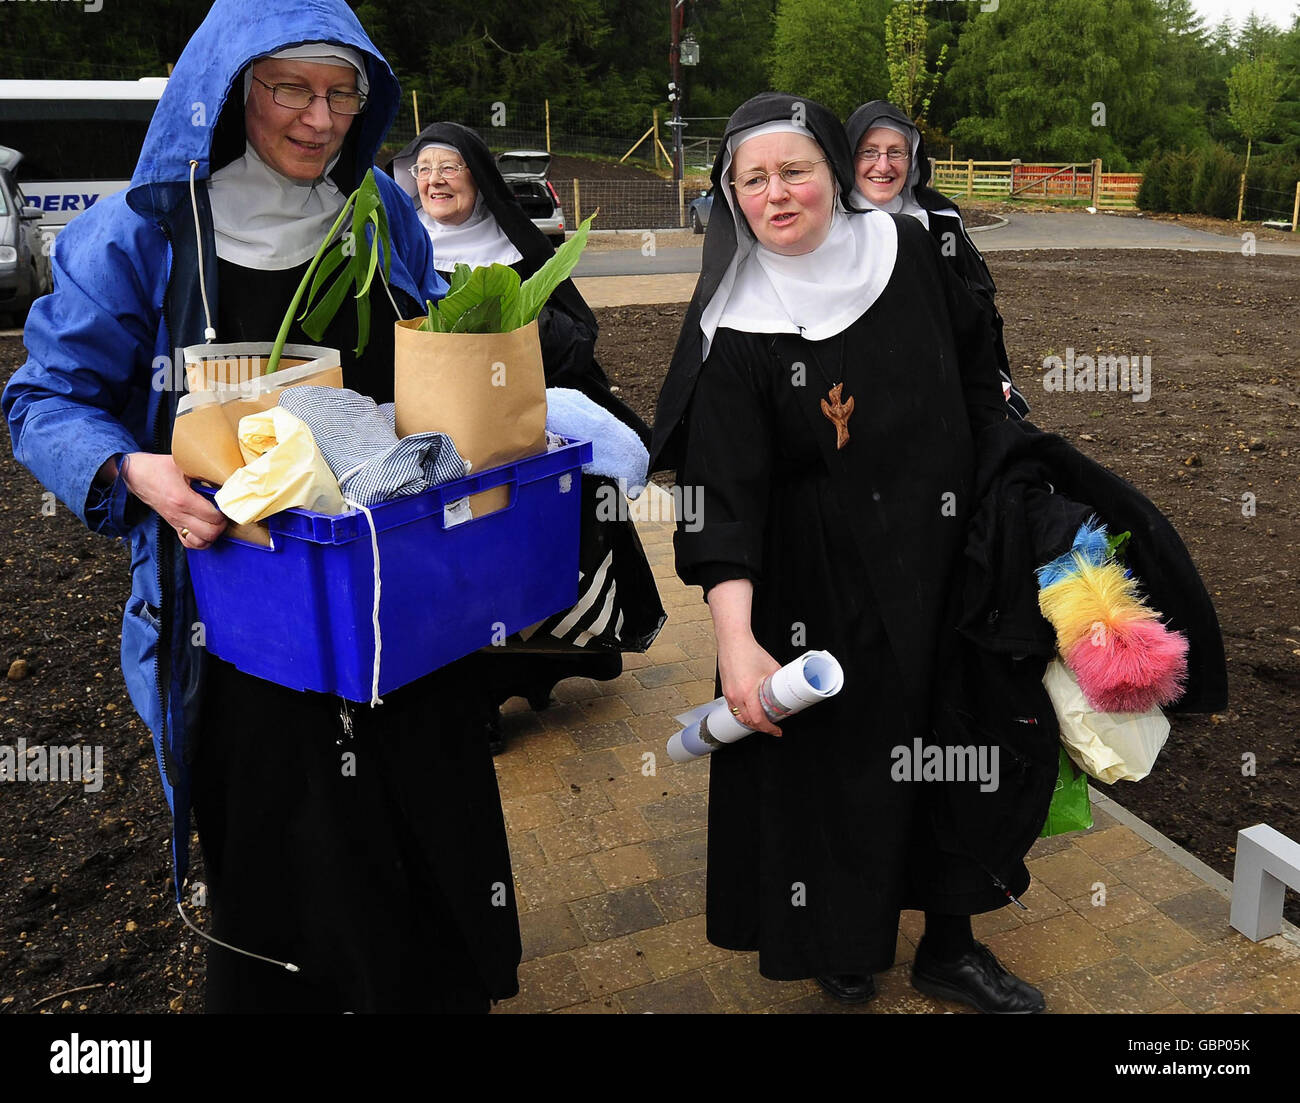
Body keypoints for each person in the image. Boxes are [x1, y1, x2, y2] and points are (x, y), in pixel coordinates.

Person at [4, 0, 521, 1013]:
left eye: (342, 92)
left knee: (426, 818)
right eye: (291, 88)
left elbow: (425, 368)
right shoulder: (144, 231)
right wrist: (129, 468)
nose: (319, 118)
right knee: (289, 849)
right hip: (240, 623)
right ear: (231, 91)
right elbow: (42, 398)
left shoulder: (376, 207)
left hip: (397, 603)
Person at [649, 92, 1049, 1013]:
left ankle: (952, 942)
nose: (775, 195)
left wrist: (1017, 500)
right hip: (817, 580)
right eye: (752, 179)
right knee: (842, 771)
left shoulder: (913, 253)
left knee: (957, 750)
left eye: (795, 171)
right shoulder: (741, 325)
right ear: (729, 195)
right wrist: (737, 641)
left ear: (836, 172)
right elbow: (725, 500)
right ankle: (840, 936)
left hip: (948, 556)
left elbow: (983, 372)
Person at [389, 123, 655, 751]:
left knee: (517, 564)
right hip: (431, 450)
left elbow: (578, 333)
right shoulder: (401, 257)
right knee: (448, 569)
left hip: (516, 442)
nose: (434, 180)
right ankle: (468, 697)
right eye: (424, 169)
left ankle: (518, 679)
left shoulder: (519, 250)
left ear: (478, 177)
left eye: (448, 166)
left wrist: (513, 330)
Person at [844, 100, 1030, 419]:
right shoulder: (830, 219)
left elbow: (977, 301)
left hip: (941, 372)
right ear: (849, 157)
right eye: (869, 152)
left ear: (912, 157)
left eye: (896, 152)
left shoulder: (939, 216)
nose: (883, 165)